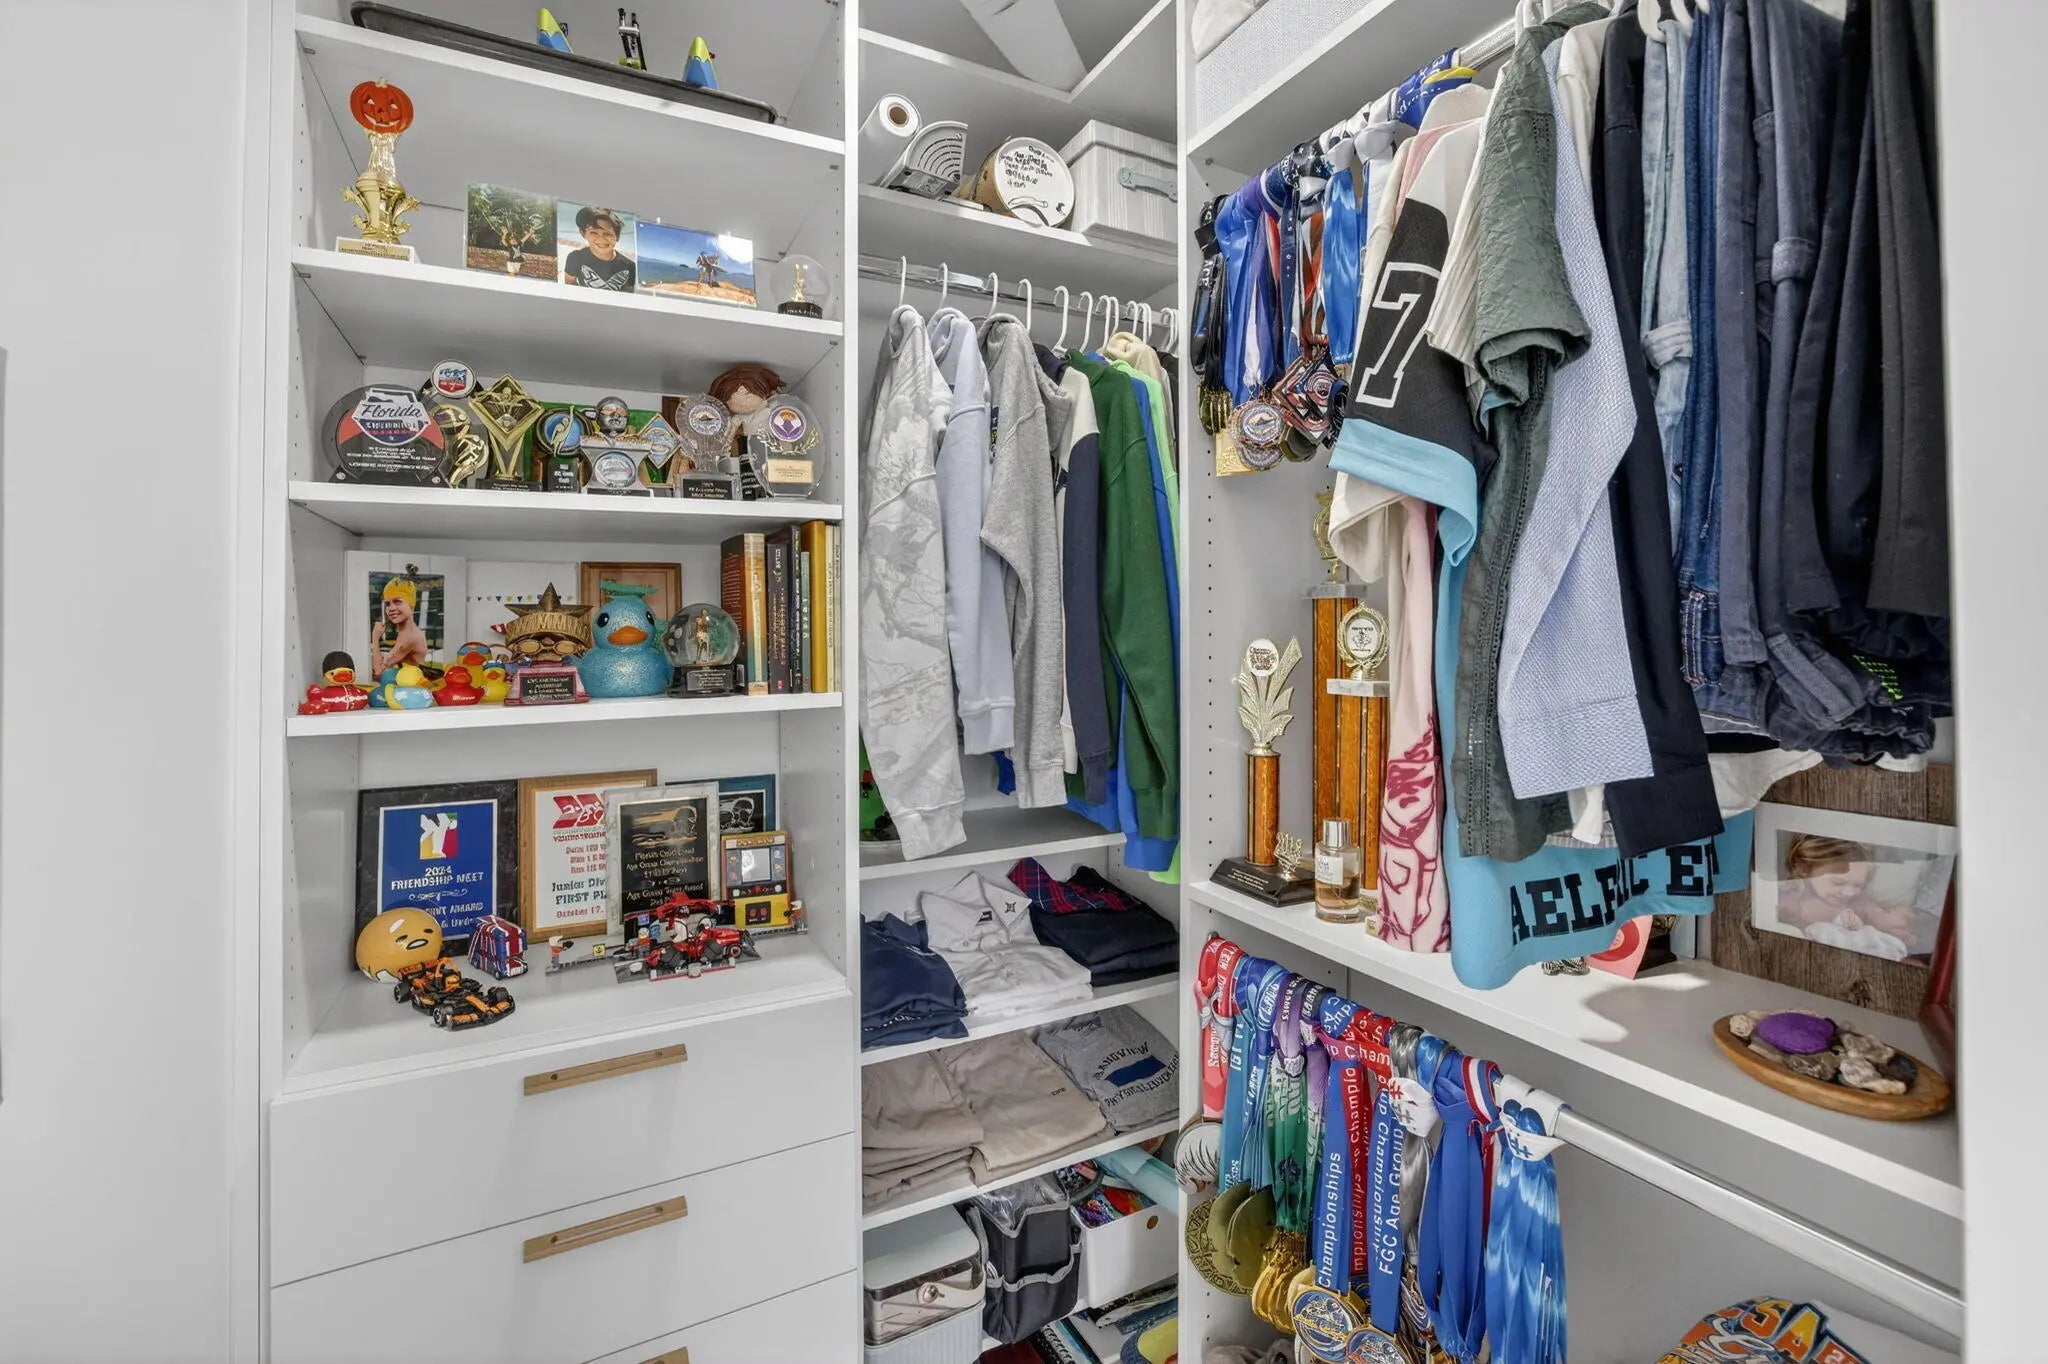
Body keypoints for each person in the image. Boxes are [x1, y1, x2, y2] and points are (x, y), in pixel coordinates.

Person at [1778, 835, 1919, 952]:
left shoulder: (1860, 901)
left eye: (1858, 885)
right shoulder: (1790, 894)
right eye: (1838, 883)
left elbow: (1879, 918)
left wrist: (1889, 923)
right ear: (1803, 869)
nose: (1849, 893)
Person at [369, 576, 429, 677]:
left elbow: (378, 671)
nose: (391, 608)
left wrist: (375, 637)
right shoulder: (407, 631)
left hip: (413, 684)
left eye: (397, 602)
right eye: (388, 604)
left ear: (411, 605)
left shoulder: (409, 637)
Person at [563, 206, 635, 291]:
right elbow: (570, 283)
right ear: (583, 233)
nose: (601, 239)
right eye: (594, 232)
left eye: (608, 233)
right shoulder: (575, 258)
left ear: (617, 237)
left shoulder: (630, 267)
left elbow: (629, 294)